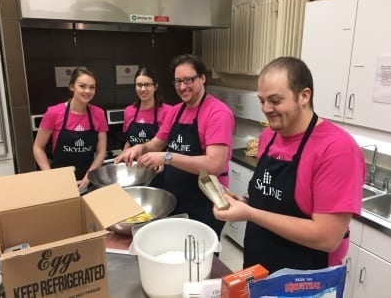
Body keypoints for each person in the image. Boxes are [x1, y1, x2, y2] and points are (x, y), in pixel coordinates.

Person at [213, 57, 365, 273]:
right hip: (258, 266)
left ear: (304, 96)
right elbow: (271, 198)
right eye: (262, 100)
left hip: (305, 281)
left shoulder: (337, 149)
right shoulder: (269, 136)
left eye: (275, 100)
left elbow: (327, 237)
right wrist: (243, 202)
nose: (266, 108)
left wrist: (250, 213)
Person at [116, 54, 235, 237]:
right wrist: (140, 148)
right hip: (176, 196)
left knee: (199, 259)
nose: (182, 87)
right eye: (178, 81)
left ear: (202, 78)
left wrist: (167, 157)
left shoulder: (218, 113)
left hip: (205, 201)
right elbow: (157, 143)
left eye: (188, 80)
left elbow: (215, 165)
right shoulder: (177, 111)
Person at [33, 66, 108, 192]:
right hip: (59, 181)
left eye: (92, 87)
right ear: (72, 86)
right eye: (82, 86)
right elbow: (38, 147)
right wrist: (50, 175)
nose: (87, 91)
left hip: (88, 180)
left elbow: (101, 152)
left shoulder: (99, 114)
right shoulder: (54, 113)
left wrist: (89, 177)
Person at [121, 66, 173, 187]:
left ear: (155, 86)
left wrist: (164, 160)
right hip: (135, 171)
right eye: (139, 85)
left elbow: (173, 145)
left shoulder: (169, 111)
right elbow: (129, 141)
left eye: (147, 85)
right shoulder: (129, 111)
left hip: (159, 170)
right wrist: (124, 153)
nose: (143, 89)